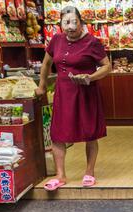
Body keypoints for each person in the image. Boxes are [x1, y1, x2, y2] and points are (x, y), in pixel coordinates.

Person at [35, 6, 112, 191]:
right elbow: (46, 63)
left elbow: (107, 66)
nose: (70, 27)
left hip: (86, 93)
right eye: (65, 23)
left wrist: (90, 77)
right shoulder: (56, 40)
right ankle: (60, 175)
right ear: (60, 24)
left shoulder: (92, 42)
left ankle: (89, 172)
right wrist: (42, 86)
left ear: (81, 22)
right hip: (63, 92)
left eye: (74, 22)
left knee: (90, 133)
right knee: (57, 134)